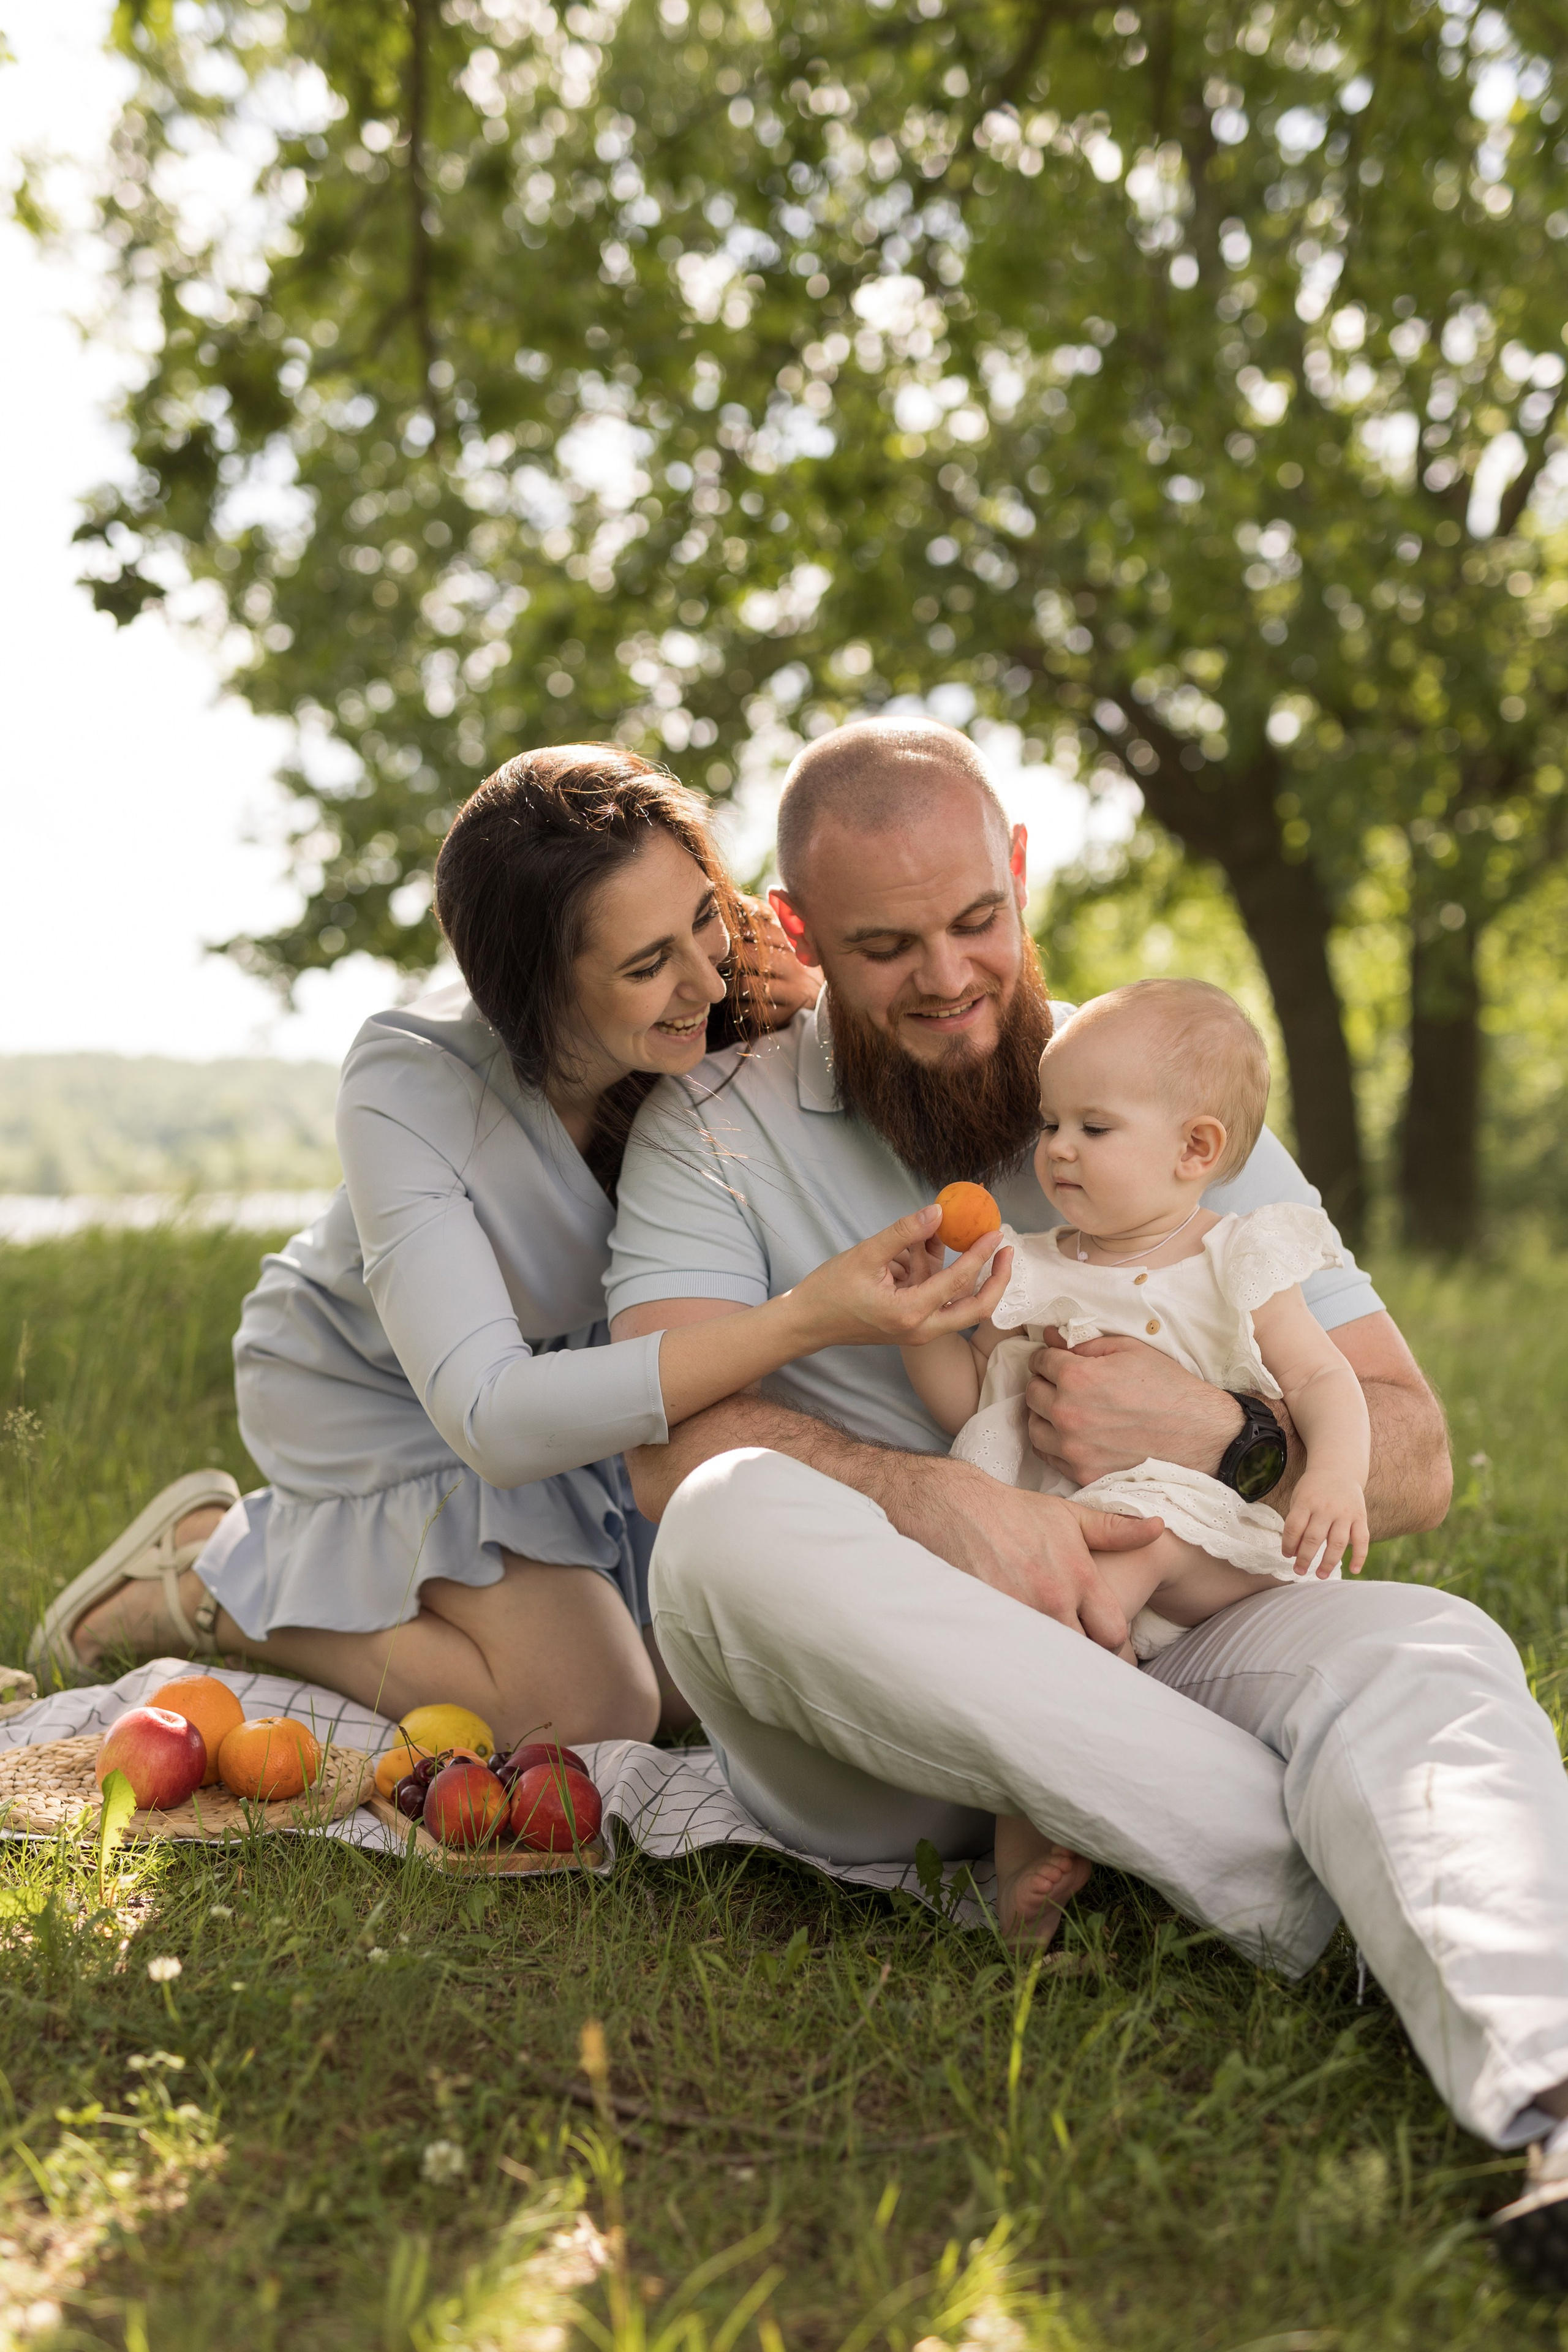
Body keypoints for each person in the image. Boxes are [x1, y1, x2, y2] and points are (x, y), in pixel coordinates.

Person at [603, 715, 1568, 2284]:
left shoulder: (1157, 1077)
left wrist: (1225, 1429)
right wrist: (937, 1501)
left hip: (1164, 1614)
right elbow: (661, 1433)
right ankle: (1336, 1875)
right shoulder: (714, 1133)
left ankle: (1548, 2092)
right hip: (886, 1712)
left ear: (1022, 873)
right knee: (721, 1521)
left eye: (978, 919)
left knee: (1430, 1646)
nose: (950, 976)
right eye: (887, 945)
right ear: (795, 936)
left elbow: (1410, 1452)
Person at [31, 746, 1009, 1751]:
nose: (705, 979)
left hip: (596, 1377)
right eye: (645, 966)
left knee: (696, 1680)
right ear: (538, 990)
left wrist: (819, 1002)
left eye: (704, 918)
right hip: (388, 1393)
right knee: (589, 1708)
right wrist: (807, 1319)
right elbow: (492, 1418)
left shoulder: (733, 975)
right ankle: (212, 1577)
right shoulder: (407, 1081)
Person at [900, 975, 1371, 1939]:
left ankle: (1118, 1594)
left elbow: (1325, 1383)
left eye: (1095, 1129)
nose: (1058, 1148)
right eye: (1052, 1122)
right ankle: (1026, 1885)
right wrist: (915, 1332)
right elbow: (975, 1408)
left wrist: (1333, 1474)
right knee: (1025, 1680)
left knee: (1155, 1515)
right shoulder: (1028, 1269)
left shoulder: (1238, 1259)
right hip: (1059, 1559)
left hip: (1204, 1559)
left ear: (1195, 1149)